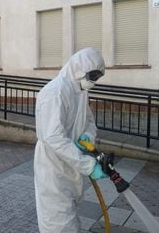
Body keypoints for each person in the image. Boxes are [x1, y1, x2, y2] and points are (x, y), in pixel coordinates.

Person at [34, 47, 107, 232]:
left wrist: (87, 137)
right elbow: (53, 137)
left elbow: (89, 121)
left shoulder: (80, 91)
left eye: (96, 78)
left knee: (71, 218)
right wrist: (87, 165)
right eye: (92, 77)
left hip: (70, 165)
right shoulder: (54, 92)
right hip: (54, 168)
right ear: (78, 69)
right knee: (58, 223)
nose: (94, 82)